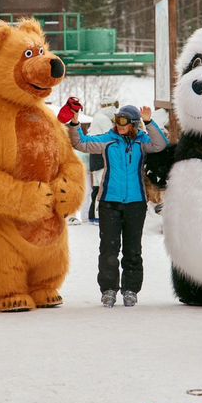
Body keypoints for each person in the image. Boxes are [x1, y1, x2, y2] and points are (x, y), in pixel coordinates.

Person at [67, 103, 167, 307]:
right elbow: (82, 144)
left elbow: (160, 145)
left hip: (135, 204)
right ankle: (109, 289)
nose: (119, 125)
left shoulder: (142, 141)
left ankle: (130, 289)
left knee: (133, 250)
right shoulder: (109, 140)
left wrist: (149, 122)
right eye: (116, 121)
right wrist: (75, 124)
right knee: (109, 250)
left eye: (123, 122)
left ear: (132, 124)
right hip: (109, 203)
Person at [87, 94, 119, 224]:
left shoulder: (98, 117)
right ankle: (98, 215)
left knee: (97, 187)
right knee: (102, 187)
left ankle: (93, 214)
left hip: (96, 157)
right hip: (101, 158)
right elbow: (113, 136)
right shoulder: (103, 119)